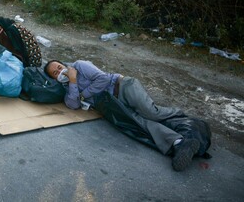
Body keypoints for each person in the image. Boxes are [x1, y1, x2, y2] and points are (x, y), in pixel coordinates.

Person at [44, 59, 206, 171]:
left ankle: (178, 113)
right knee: (141, 123)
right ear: (55, 79)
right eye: (54, 73)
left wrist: (82, 93)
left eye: (58, 67)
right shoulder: (67, 89)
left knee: (151, 113)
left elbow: (103, 78)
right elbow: (73, 105)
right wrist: (72, 82)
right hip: (113, 105)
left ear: (63, 64)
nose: (59, 71)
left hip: (122, 87)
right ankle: (179, 143)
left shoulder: (80, 65)